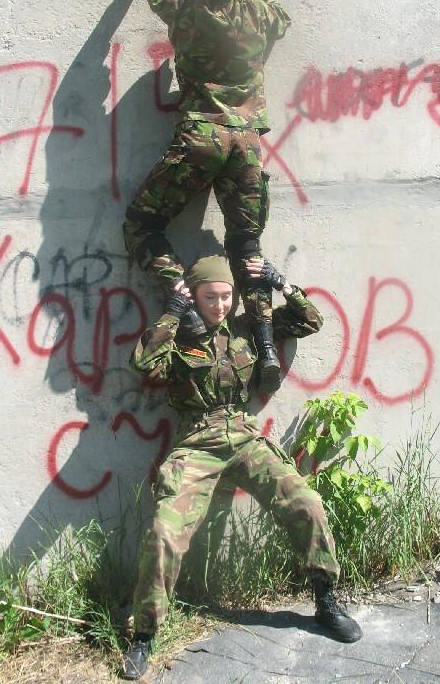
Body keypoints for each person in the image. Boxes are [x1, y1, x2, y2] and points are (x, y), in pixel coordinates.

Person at [121, 256, 362, 680]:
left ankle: (326, 601)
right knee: (164, 532)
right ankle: (144, 635)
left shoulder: (250, 329)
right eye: (209, 297)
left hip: (245, 437)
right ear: (194, 296)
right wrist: (172, 314)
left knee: (306, 503)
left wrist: (281, 284)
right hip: (198, 443)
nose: (219, 305)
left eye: (225, 296)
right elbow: (143, 364)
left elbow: (310, 320)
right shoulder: (178, 337)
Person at [123, 0, 292, 392]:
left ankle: (183, 303)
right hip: (246, 145)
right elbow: (282, 18)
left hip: (201, 136)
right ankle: (264, 345)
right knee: (247, 245)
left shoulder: (186, 9)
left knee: (142, 223)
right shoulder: (256, 15)